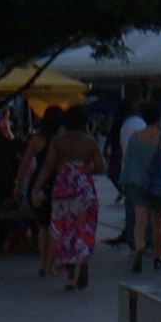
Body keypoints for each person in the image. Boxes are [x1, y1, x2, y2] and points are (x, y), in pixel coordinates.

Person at [35, 105, 104, 292]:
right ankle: (83, 257)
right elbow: (100, 167)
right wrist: (82, 168)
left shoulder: (58, 142)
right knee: (84, 227)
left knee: (65, 231)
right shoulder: (90, 143)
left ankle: (70, 278)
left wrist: (35, 189)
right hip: (84, 189)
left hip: (62, 189)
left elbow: (48, 167)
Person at [122, 106, 161, 274]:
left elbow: (127, 160)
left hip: (137, 183)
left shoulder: (135, 138)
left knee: (140, 220)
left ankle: (138, 250)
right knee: (157, 222)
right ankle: (157, 257)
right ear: (159, 117)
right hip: (158, 186)